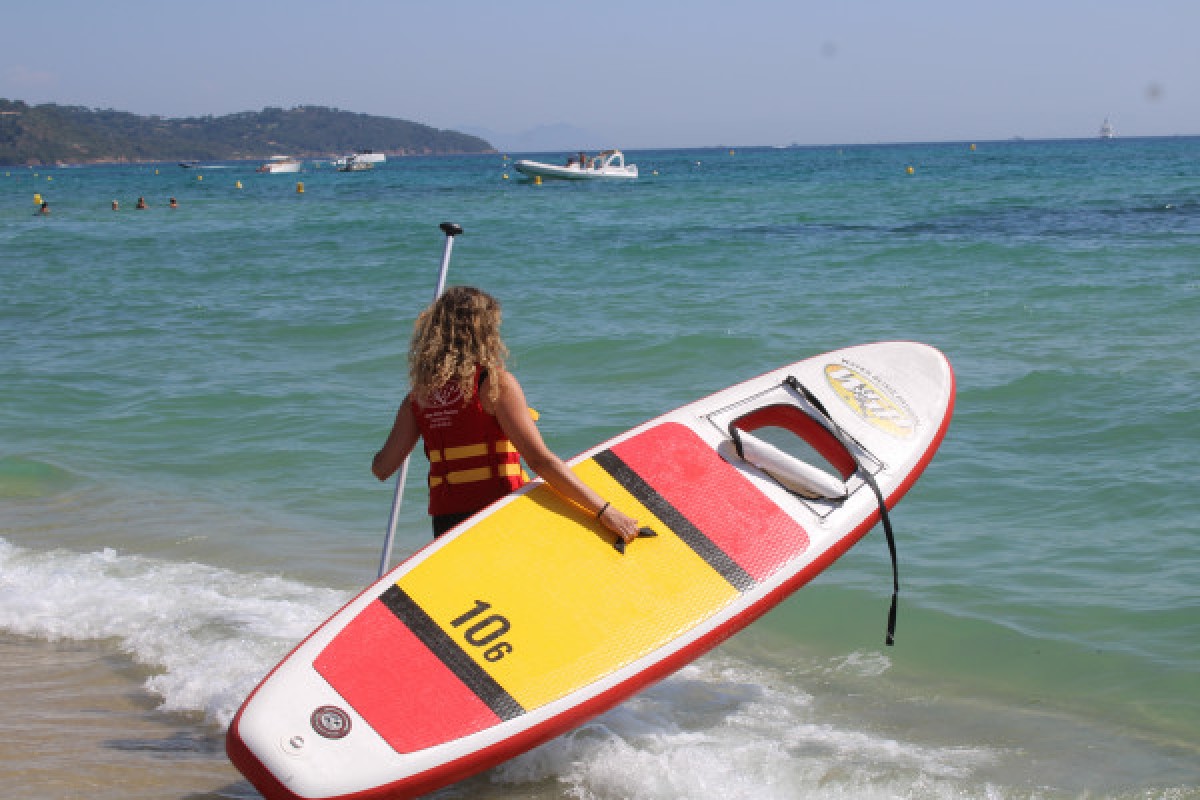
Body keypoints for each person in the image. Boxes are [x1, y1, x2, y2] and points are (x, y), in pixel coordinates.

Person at [372, 286, 640, 544]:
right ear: (483, 331)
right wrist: (605, 512)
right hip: (499, 512)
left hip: (447, 523)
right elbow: (539, 460)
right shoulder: (495, 384)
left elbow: (383, 469)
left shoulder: (418, 397)